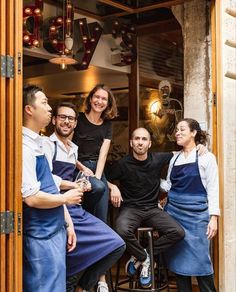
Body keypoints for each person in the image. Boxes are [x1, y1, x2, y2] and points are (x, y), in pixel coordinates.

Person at [43, 102, 125, 292]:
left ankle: (83, 287)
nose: (66, 122)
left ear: (75, 123)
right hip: (56, 206)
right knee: (70, 258)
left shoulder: (73, 148)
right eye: (62, 117)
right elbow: (48, 180)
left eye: (71, 119)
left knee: (116, 244)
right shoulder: (47, 145)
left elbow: (73, 175)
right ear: (54, 119)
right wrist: (73, 185)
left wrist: (83, 182)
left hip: (76, 207)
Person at [107, 127, 185, 288]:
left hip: (152, 209)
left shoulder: (157, 158)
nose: (140, 142)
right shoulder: (122, 164)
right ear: (131, 143)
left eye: (144, 139)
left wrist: (199, 146)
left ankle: (141, 256)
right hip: (131, 209)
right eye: (137, 139)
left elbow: (181, 153)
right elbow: (101, 176)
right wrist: (112, 187)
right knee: (121, 230)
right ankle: (145, 259)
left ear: (149, 144)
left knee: (178, 232)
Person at [22, 85, 83, 292]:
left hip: (56, 229)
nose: (50, 108)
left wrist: (68, 223)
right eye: (45, 103)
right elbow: (31, 197)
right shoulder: (23, 147)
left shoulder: (39, 143)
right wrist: (66, 199)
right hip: (40, 233)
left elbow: (49, 184)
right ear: (29, 110)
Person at [161, 118, 220, 292]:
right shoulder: (175, 159)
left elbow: (213, 189)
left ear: (193, 133)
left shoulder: (206, 157)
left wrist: (214, 218)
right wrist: (149, 180)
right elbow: (169, 186)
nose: (177, 133)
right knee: (180, 264)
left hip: (197, 217)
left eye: (182, 130)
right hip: (174, 215)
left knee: (202, 263)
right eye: (176, 130)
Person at [72, 84, 118, 223]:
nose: (100, 101)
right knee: (97, 189)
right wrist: (82, 168)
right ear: (90, 99)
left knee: (101, 216)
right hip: (78, 168)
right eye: (97, 97)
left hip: (97, 169)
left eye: (104, 99)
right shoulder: (78, 119)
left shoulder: (107, 124)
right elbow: (68, 149)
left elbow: (103, 153)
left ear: (108, 103)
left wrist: (97, 176)